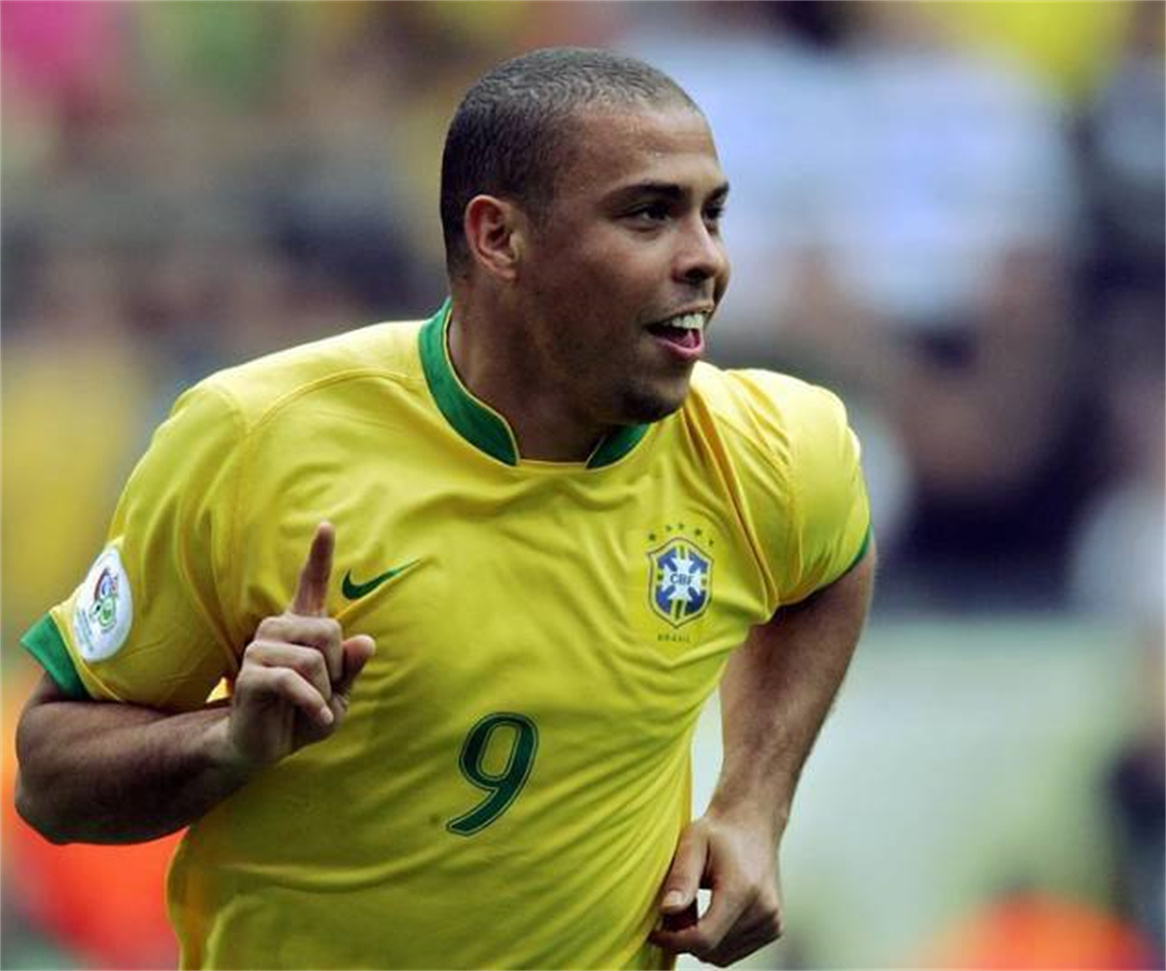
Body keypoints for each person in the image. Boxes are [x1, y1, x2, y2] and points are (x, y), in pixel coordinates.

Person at [14, 47, 875, 970]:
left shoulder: (770, 450)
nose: (706, 257)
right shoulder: (252, 438)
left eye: (712, 213)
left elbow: (835, 562)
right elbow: (50, 777)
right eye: (649, 214)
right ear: (499, 238)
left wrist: (753, 803)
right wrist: (226, 741)